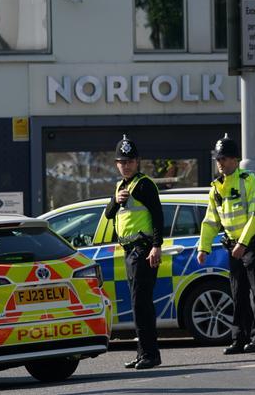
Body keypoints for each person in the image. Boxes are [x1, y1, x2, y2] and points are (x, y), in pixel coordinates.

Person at [196, 134, 255, 354]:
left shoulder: (250, 181)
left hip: (252, 244)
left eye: (225, 159)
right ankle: (239, 339)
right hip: (233, 246)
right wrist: (203, 247)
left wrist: (243, 242)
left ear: (236, 160)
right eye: (218, 159)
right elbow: (210, 221)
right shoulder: (216, 188)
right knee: (238, 294)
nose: (221, 163)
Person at [104, 135, 163, 370]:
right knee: (138, 304)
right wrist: (115, 201)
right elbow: (108, 215)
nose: (125, 165)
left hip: (143, 249)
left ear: (137, 161)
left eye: (129, 161)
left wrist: (157, 246)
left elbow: (158, 217)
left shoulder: (144, 184)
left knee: (142, 304)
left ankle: (150, 355)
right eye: (121, 162)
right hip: (129, 252)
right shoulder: (120, 186)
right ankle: (143, 353)